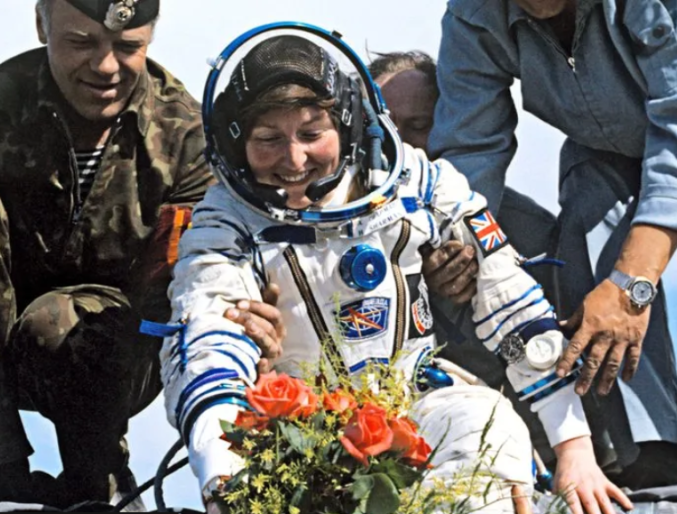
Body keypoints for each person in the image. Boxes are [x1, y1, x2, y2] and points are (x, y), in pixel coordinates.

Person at [158, 27, 631, 514]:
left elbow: (510, 299)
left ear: (345, 125)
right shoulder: (224, 223)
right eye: (268, 139)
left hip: (414, 408)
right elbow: (208, 342)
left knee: (485, 424)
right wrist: (222, 480)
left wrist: (573, 447)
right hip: (295, 436)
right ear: (237, 146)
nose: (294, 158)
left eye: (311, 134)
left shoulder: (417, 184)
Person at [429, 0, 677, 498]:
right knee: (588, 206)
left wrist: (631, 286)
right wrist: (462, 244)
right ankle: (649, 450)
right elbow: (470, 147)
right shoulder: (473, 13)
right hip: (610, 124)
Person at [0, 0, 285, 508]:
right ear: (41, 24)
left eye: (128, 47)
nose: (104, 68)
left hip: (120, 354)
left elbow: (208, 278)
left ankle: (97, 474)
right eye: (80, 43)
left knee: (61, 318)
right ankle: (1, 477)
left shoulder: (186, 135)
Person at [368, 50, 626, 475]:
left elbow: (545, 347)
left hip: (524, 450)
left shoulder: (529, 233)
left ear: (451, 124)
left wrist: (574, 454)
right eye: (387, 130)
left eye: (419, 127)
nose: (404, 147)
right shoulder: (337, 226)